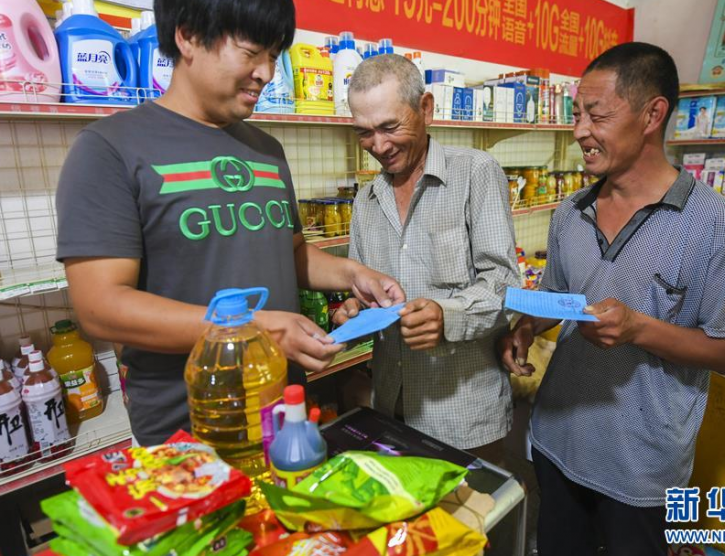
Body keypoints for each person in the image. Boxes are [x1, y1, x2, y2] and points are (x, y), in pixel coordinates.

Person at [55, 0, 404, 446]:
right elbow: (99, 307)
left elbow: (290, 251)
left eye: (274, 55)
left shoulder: (266, 150)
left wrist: (354, 273)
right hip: (188, 426)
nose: (265, 72)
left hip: (283, 407)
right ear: (187, 36)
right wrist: (255, 329)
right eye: (251, 51)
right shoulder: (109, 149)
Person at [498, 42, 725, 555]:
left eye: (596, 115)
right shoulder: (569, 212)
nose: (579, 131)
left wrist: (640, 328)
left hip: (642, 469)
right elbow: (556, 294)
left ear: (652, 114)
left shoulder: (720, 225)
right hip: (557, 438)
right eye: (577, 114)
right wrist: (528, 327)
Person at [333, 54, 519, 462]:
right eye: (364, 133)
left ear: (426, 108)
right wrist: (355, 311)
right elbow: (366, 288)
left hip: (463, 414)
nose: (378, 146)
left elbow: (505, 286)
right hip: (392, 407)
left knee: (472, 520)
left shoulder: (475, 173)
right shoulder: (367, 199)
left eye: (389, 127)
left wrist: (445, 315)